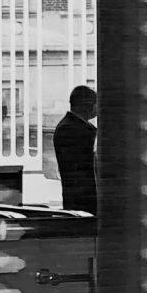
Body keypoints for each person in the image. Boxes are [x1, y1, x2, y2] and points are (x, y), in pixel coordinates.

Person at [53, 85, 99, 216]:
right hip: (82, 199)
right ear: (86, 104)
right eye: (95, 103)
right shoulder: (70, 128)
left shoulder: (80, 125)